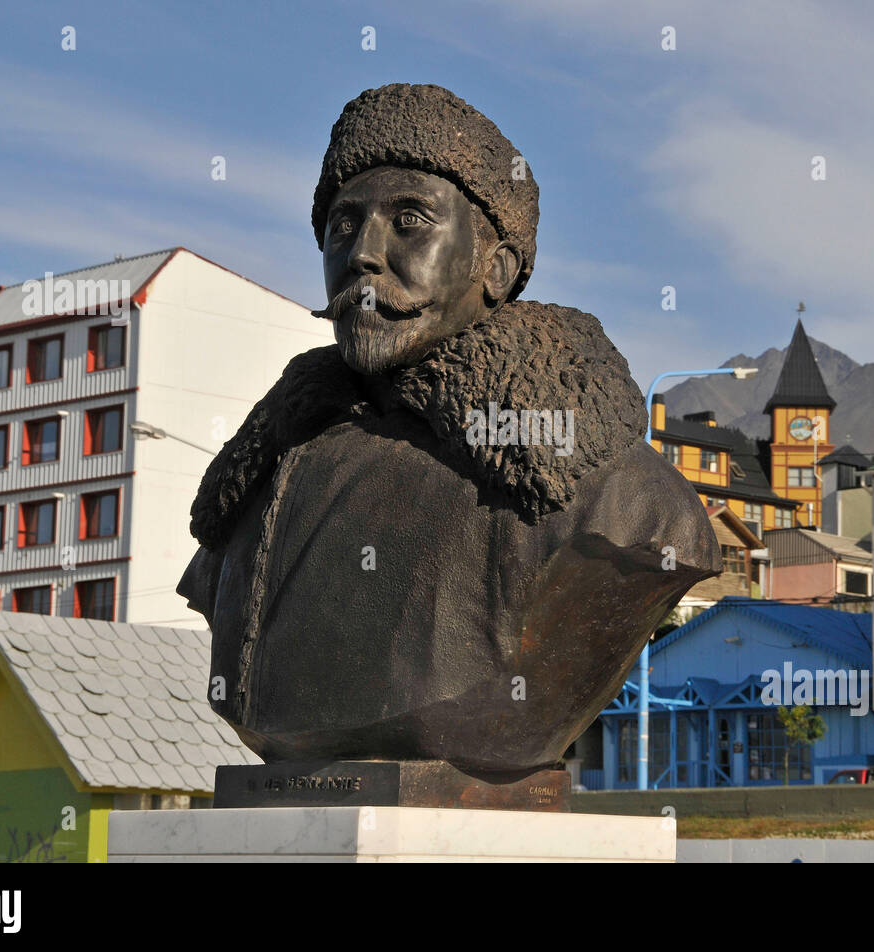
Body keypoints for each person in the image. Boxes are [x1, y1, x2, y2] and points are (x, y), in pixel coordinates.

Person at [178, 84, 719, 774]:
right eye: (343, 226)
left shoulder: (620, 499)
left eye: (409, 220)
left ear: (495, 269)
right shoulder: (256, 479)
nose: (364, 255)